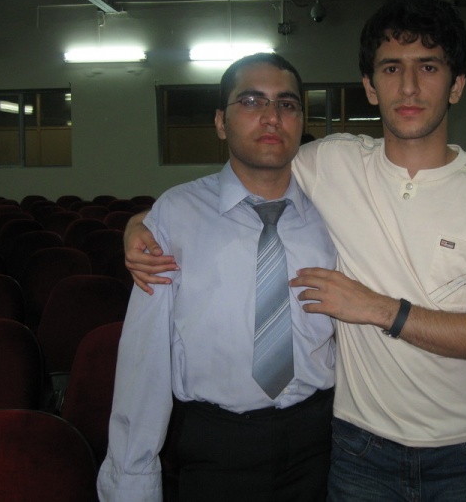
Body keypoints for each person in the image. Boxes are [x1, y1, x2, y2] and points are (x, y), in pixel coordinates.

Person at [124, 0, 466, 501]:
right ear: (370, 86)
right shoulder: (332, 164)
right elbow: (244, 176)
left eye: (429, 67)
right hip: (356, 447)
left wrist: (377, 308)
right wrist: (143, 224)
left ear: (456, 85)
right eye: (391, 68)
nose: (409, 86)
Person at [97, 53, 337, 502]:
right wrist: (132, 480)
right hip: (218, 446)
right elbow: (145, 358)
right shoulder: (176, 215)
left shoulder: (333, 215)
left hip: (321, 443)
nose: (271, 116)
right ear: (220, 123)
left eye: (287, 104)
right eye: (251, 101)